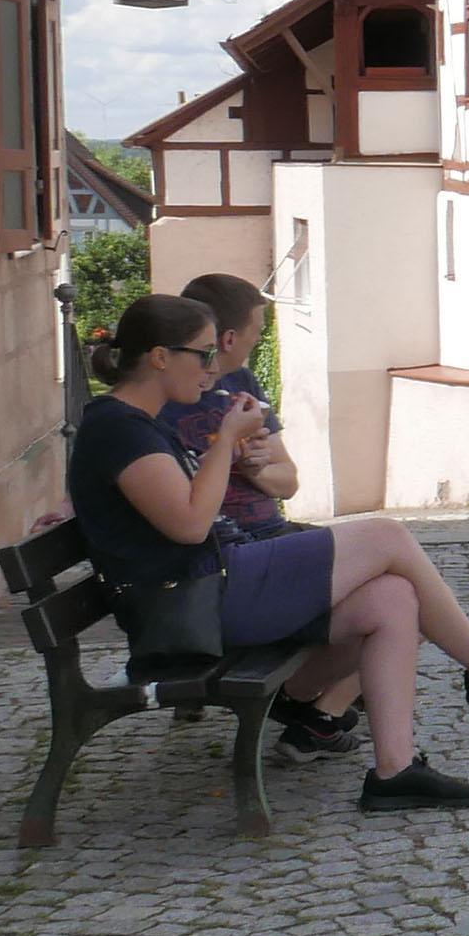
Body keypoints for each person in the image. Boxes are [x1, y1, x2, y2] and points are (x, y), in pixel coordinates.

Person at [70, 293, 469, 812]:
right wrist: (224, 442)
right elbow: (190, 525)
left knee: (394, 598)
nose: (211, 368)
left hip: (211, 585)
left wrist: (233, 452)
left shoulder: (137, 424)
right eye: (201, 354)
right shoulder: (119, 429)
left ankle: (394, 772)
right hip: (192, 602)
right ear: (159, 357)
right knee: (386, 536)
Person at [164, 274, 364, 767]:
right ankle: (315, 714)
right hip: (235, 561)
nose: (259, 339)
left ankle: (322, 711)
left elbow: (287, 481)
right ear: (229, 338)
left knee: (391, 581)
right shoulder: (165, 405)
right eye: (256, 329)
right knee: (391, 586)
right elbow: (182, 509)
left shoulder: (244, 389)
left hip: (269, 538)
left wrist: (255, 468)